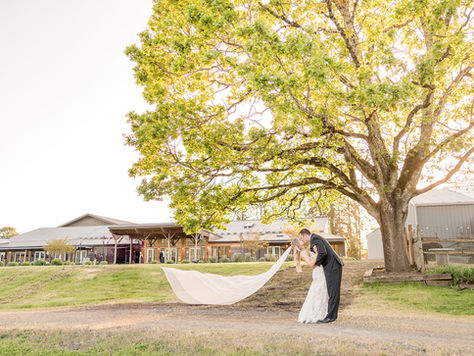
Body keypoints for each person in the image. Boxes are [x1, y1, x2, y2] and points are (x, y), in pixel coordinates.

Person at [299, 228, 344, 323]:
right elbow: (322, 252)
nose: (301, 240)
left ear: (305, 235)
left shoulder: (314, 238)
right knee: (332, 292)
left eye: (301, 238)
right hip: (331, 266)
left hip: (333, 267)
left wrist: (316, 265)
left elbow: (323, 252)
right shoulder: (315, 238)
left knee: (333, 292)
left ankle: (331, 317)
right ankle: (331, 315)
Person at [292, 238, 328, 323]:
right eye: (300, 240)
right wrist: (317, 253)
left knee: (321, 292)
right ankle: (315, 314)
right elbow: (311, 264)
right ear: (298, 244)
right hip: (318, 272)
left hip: (320, 270)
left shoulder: (306, 250)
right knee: (318, 293)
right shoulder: (303, 253)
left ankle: (322, 313)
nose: (302, 240)